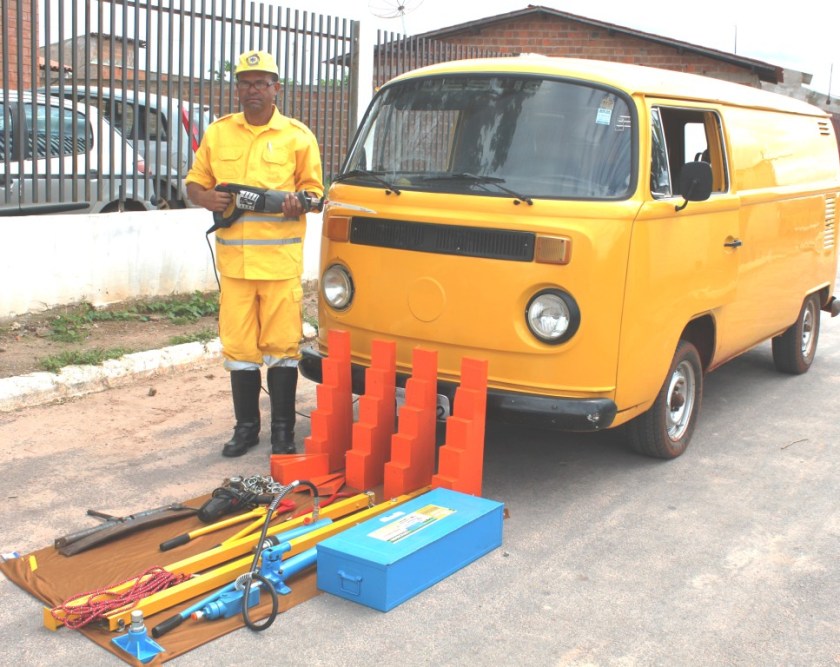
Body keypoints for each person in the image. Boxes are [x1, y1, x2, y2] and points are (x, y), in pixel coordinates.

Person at [185, 49, 324, 458]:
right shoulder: (219, 133)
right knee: (239, 349)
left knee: (282, 348)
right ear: (238, 89)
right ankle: (246, 428)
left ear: (276, 88)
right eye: (245, 83)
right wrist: (205, 197)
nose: (253, 90)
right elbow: (195, 184)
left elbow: (315, 191)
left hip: (280, 267)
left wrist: (302, 202)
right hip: (235, 267)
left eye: (261, 83)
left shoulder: (298, 136)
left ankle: (283, 432)